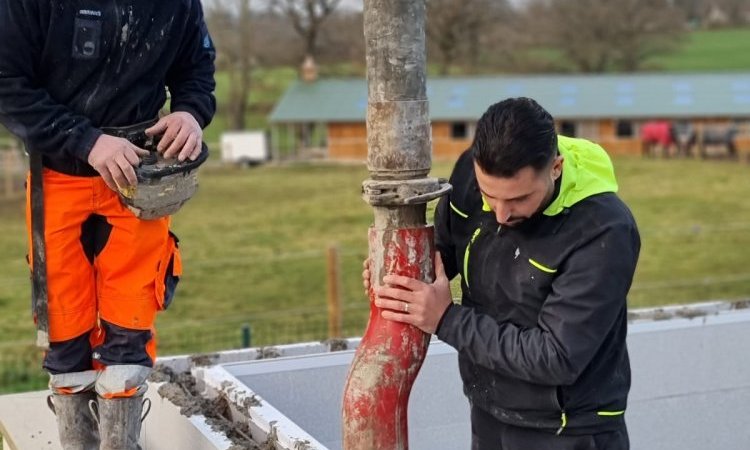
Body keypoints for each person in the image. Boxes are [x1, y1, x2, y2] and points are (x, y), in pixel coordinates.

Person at [0, 0, 215, 448]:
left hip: (140, 181)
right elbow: (7, 84)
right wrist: (85, 141)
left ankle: (122, 443)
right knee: (64, 326)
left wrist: (191, 112)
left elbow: (196, 67)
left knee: (131, 327)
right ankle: (76, 441)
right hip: (59, 176)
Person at [367, 97, 640, 449]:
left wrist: (446, 319)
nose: (500, 214)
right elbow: (449, 246)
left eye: (519, 199)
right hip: (488, 409)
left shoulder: (604, 230)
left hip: (568, 429)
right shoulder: (471, 170)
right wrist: (403, 280)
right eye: (488, 195)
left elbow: (556, 357)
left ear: (555, 168)